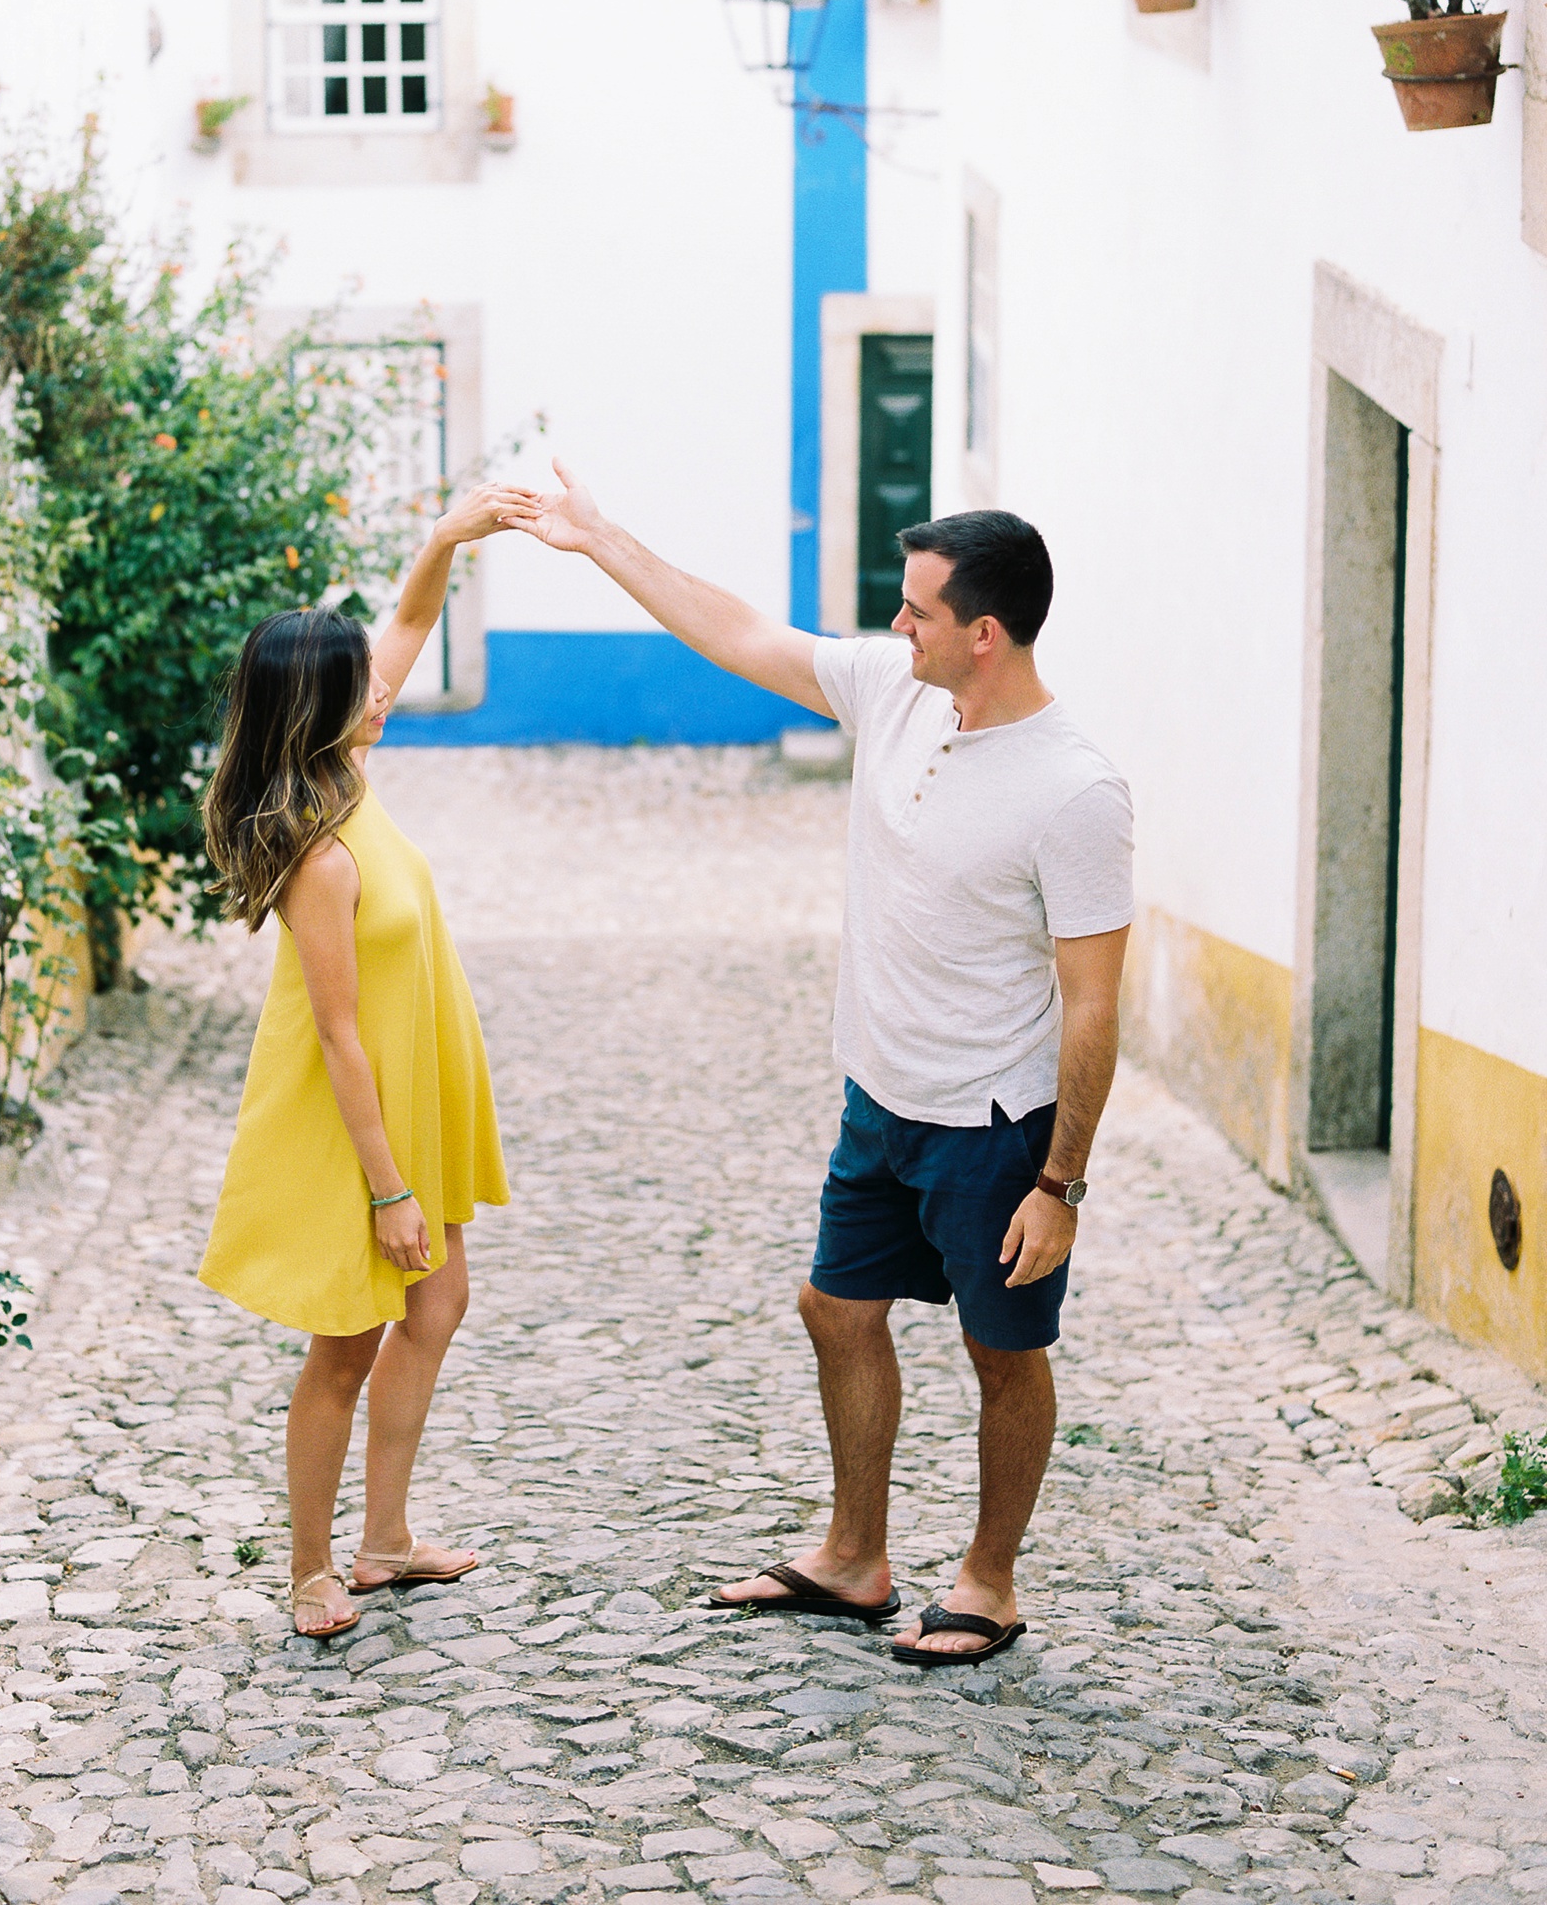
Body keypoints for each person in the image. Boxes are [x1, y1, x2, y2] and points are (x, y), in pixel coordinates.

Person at [503, 470, 1132, 1666]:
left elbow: (1094, 1005)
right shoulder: (896, 695)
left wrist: (1061, 1186)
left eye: (919, 612)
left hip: (995, 1124)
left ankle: (989, 1582)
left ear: (982, 634)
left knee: (1004, 1354)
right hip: (879, 1096)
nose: (897, 627)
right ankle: (855, 1559)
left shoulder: (1074, 789)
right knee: (835, 1307)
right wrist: (598, 541)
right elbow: (739, 629)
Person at [199, 486, 533, 1638]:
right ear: (320, 711)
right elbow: (338, 1036)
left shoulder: (349, 776)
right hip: (354, 1128)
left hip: (406, 1099)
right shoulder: (319, 854)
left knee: (437, 1306)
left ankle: (385, 1541)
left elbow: (405, 623)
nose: (385, 691)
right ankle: (308, 1570)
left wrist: (447, 538)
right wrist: (388, 1187)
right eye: (365, 689)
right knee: (341, 1349)